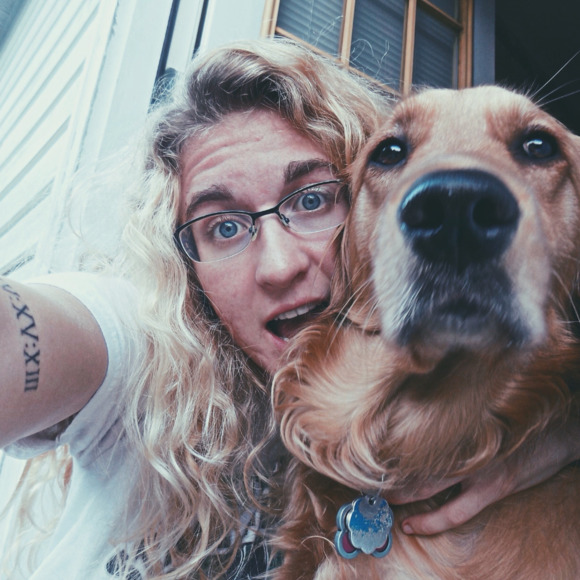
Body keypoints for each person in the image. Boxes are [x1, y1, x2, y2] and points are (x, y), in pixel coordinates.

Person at [0, 38, 578, 580]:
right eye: (223, 227)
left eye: (312, 199)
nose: (279, 267)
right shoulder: (145, 348)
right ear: (183, 265)